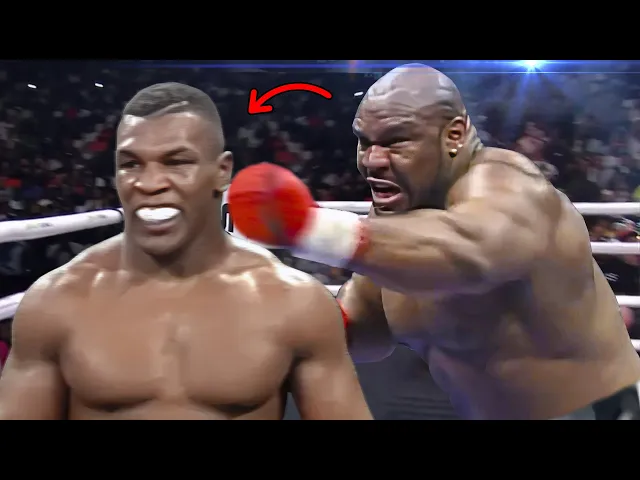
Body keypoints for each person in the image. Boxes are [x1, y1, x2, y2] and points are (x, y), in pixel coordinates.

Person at [227, 64, 640, 420]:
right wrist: (281, 321)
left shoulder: (510, 186)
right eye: (365, 141)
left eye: (395, 141)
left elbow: (471, 252)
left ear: (454, 134)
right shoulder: (395, 225)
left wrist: (306, 226)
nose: (372, 160)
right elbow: (366, 326)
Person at [0, 83, 372, 420]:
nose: (150, 183)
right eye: (131, 164)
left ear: (222, 172)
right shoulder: (56, 301)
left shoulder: (295, 302)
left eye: (177, 162)